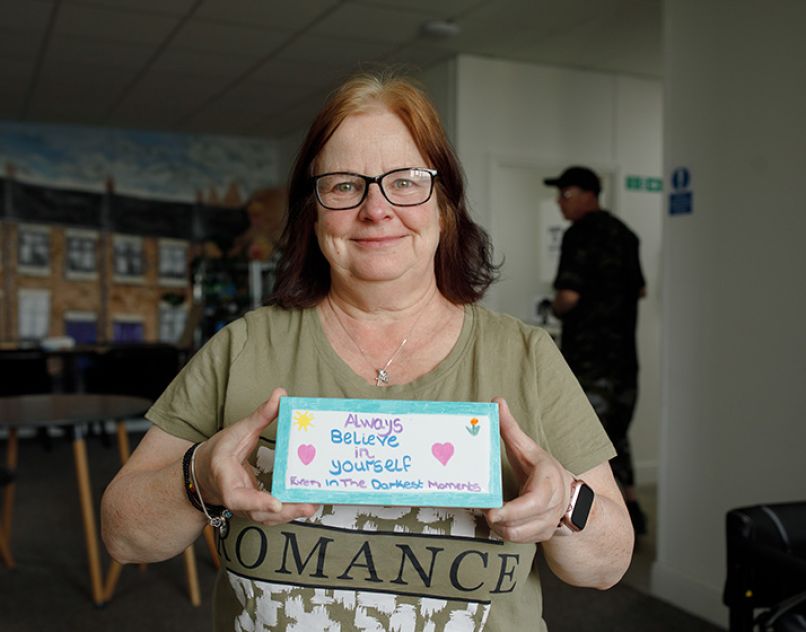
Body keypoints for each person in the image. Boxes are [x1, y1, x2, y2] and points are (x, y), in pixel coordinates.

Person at [101, 74, 633, 631]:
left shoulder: (527, 356)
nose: (376, 209)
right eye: (344, 185)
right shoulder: (242, 348)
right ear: (313, 211)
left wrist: (565, 503)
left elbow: (607, 564)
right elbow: (123, 536)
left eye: (406, 182)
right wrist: (201, 479)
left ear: (445, 205)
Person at [543, 166, 648, 534]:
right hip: (624, 360)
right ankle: (633, 509)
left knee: (585, 443)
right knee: (616, 436)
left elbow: (568, 297)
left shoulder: (580, 235)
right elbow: (640, 290)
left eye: (566, 194)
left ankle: (586, 524)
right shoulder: (626, 235)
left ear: (590, 194)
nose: (560, 202)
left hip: (590, 360)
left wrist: (554, 308)